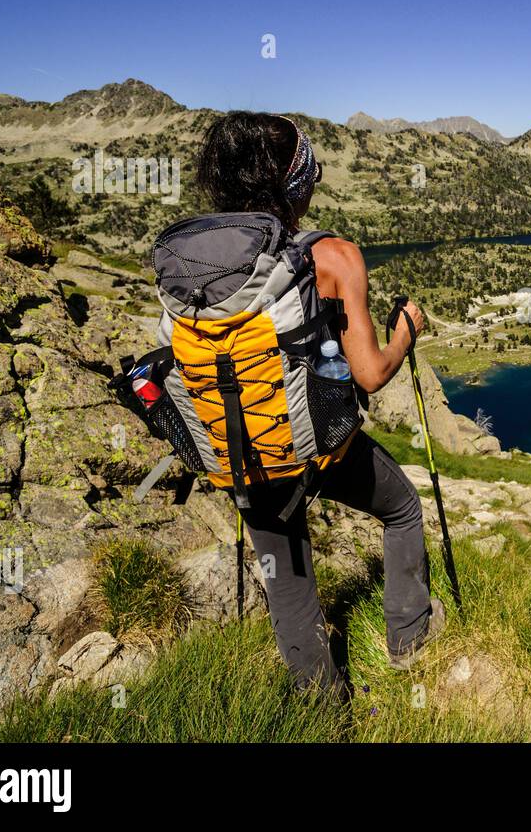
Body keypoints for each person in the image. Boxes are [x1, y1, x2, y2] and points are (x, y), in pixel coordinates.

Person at [195, 111, 444, 688]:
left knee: (287, 581)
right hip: (317, 445)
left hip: (241, 450)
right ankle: (408, 641)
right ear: (294, 183)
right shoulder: (332, 256)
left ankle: (321, 712)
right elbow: (372, 372)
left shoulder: (194, 262)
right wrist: (407, 327)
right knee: (402, 508)